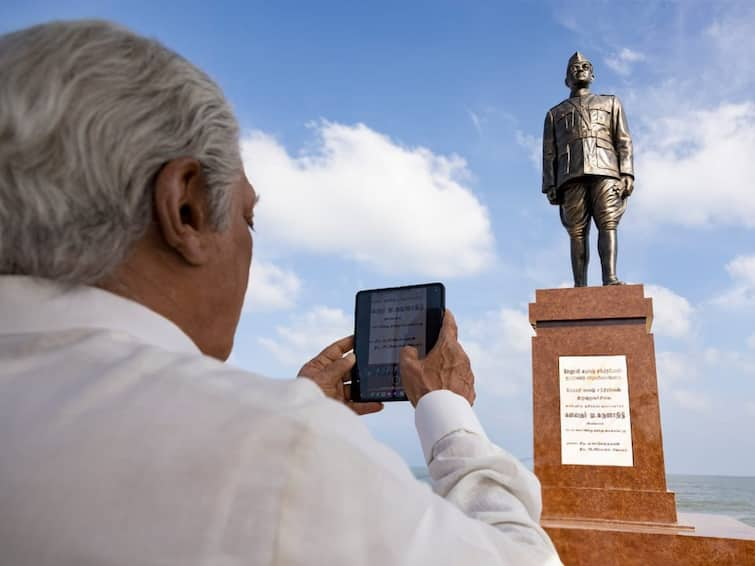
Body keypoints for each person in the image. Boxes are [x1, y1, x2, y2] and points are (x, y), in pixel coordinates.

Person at [0, 20, 561, 565]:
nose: (248, 243)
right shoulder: (276, 450)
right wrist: (446, 411)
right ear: (186, 209)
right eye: (248, 218)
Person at [542, 52, 635, 287]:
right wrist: (549, 184)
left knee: (608, 223)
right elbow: (549, 152)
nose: (580, 69)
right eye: (574, 67)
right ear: (566, 78)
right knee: (576, 231)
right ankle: (580, 286)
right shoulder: (555, 113)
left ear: (592, 74)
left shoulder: (610, 103)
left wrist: (626, 172)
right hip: (570, 175)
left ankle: (610, 278)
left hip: (606, 170)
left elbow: (623, 140)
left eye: (585, 66)